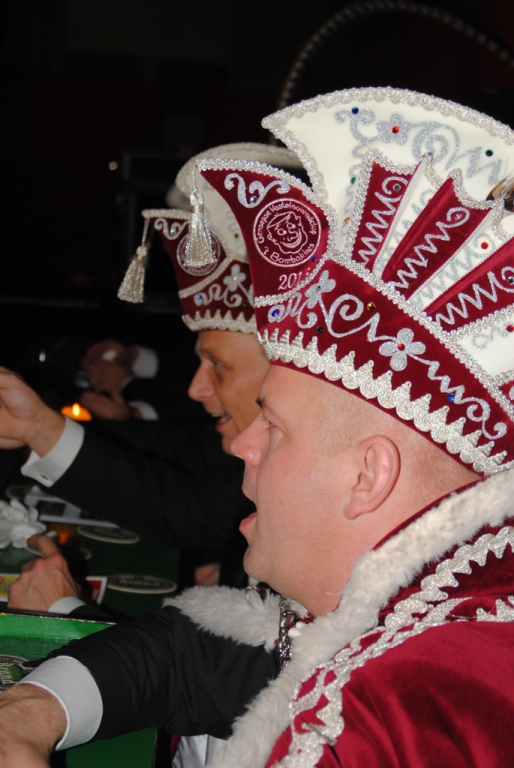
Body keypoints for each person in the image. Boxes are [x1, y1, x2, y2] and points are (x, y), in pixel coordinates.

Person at [1, 87, 514, 768]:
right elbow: (202, 654)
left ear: (368, 475)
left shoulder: (418, 707)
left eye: (273, 425)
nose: (242, 443)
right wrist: (31, 710)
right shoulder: (400, 612)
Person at [3, 142, 303, 612]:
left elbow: (177, 504)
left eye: (219, 366)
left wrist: (67, 612)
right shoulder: (262, 466)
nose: (195, 388)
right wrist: (36, 427)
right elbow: (180, 480)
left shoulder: (318, 507)